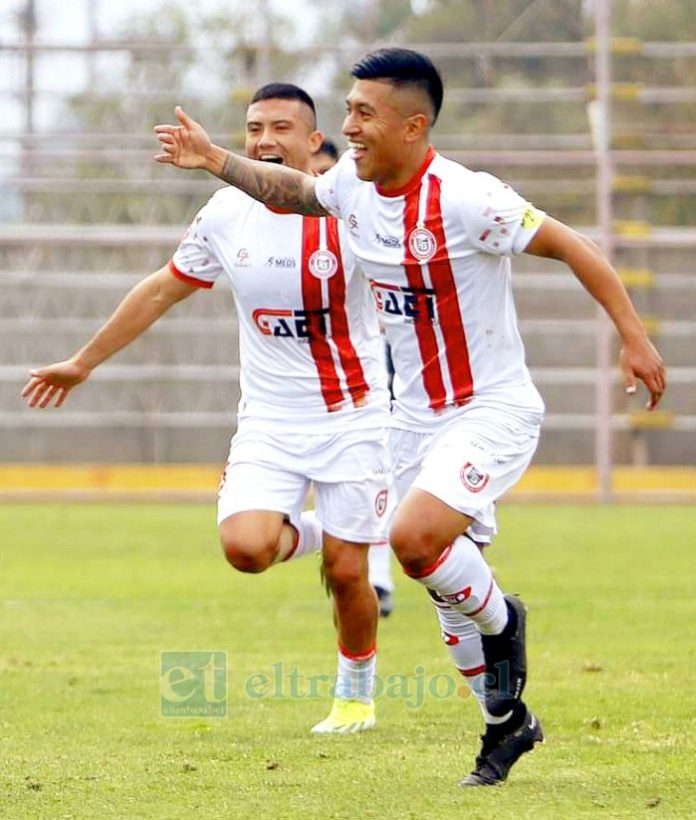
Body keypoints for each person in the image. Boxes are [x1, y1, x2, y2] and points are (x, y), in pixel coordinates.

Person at [153, 48, 666, 786]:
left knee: (416, 541)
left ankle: (505, 623)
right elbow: (289, 190)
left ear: (413, 125)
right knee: (439, 581)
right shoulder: (352, 192)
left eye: (364, 114)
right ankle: (505, 724)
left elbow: (573, 246)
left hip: (490, 407)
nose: (349, 127)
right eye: (350, 110)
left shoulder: (468, 198)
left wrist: (635, 336)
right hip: (411, 421)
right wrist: (213, 159)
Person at [22, 83, 395, 735]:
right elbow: (162, 289)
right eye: (255, 128)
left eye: (282, 128)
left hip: (354, 416)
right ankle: (331, 529)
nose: (265, 140)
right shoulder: (225, 216)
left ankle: (355, 696)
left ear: (314, 142)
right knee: (246, 549)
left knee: (346, 572)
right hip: (269, 422)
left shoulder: (352, 207)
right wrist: (83, 362)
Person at [309, 133, 397, 617]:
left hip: (378, 363)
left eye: (327, 177)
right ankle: (346, 538)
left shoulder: (361, 216)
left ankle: (379, 578)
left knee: (380, 471)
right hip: (315, 377)